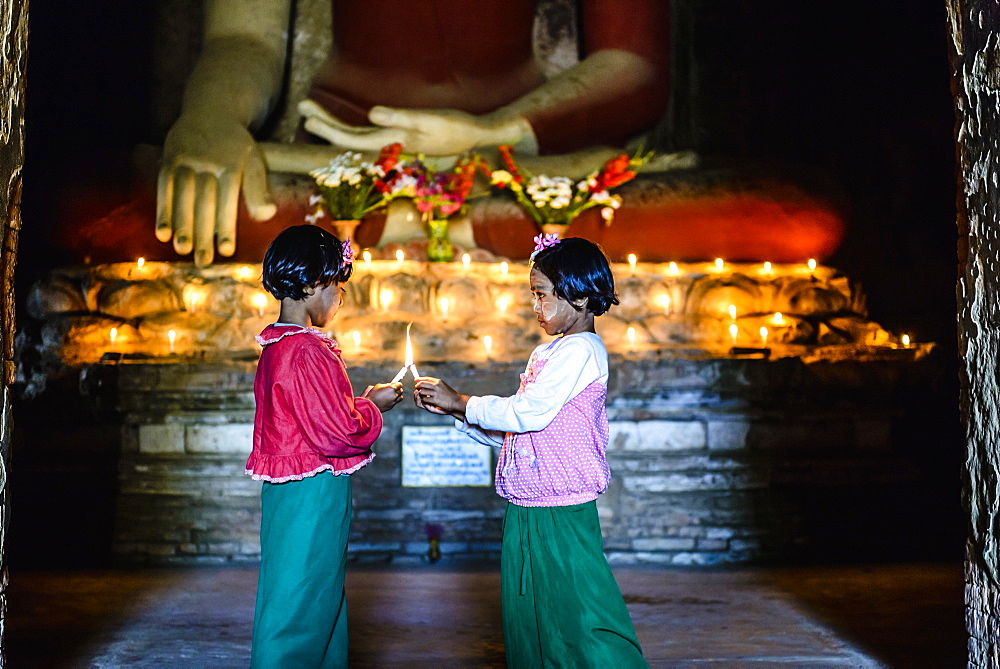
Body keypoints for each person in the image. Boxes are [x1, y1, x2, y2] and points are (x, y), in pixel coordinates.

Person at [413, 235, 647, 668]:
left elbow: (528, 414)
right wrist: (460, 416)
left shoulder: (580, 350)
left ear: (577, 294)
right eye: (533, 295)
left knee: (581, 612)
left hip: (560, 509)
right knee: (533, 611)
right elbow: (523, 433)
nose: (535, 306)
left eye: (541, 294)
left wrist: (462, 401)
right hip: (532, 504)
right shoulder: (555, 351)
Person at [246, 224, 403, 667]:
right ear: (313, 284)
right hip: (313, 491)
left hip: (290, 490)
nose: (339, 298)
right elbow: (335, 433)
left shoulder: (277, 346)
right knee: (302, 595)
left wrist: (354, 403)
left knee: (309, 588)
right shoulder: (307, 350)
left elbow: (308, 415)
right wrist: (372, 408)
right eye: (337, 287)